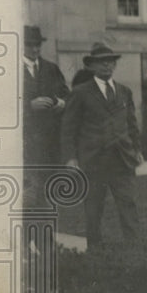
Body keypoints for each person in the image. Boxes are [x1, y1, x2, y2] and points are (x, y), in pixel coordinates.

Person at [60, 42, 142, 249]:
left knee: (128, 204)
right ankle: (95, 251)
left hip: (122, 159)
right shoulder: (80, 93)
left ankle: (135, 250)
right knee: (94, 208)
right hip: (93, 160)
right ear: (92, 66)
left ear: (115, 65)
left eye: (110, 61)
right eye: (101, 62)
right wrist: (71, 158)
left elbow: (132, 125)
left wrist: (137, 150)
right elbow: (68, 128)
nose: (107, 65)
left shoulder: (124, 92)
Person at [22, 25, 69, 203]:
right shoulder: (10, 70)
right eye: (29, 45)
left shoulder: (51, 69)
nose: (35, 49)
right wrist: (28, 106)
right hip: (25, 143)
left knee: (49, 195)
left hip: (50, 142)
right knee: (28, 194)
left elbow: (67, 95)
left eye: (38, 45)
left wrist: (62, 102)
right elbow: (1, 106)